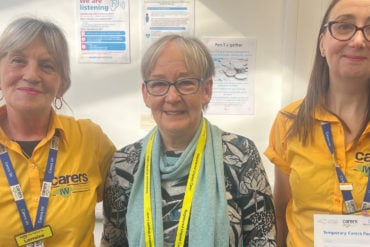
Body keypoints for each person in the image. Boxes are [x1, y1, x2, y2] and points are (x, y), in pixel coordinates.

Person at [101, 34, 276, 247]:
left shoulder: (240, 154)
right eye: (159, 84)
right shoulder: (124, 164)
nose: (172, 97)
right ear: (146, 93)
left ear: (207, 90)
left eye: (185, 83)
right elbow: (113, 242)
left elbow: (263, 239)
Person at [0, 17, 116, 246]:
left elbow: (131, 197)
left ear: (62, 85)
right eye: (18, 61)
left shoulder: (89, 139)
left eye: (47, 66)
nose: (32, 75)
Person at [264, 0, 370, 246]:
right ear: (322, 43)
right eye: (344, 26)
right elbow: (280, 213)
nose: (358, 41)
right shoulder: (288, 122)